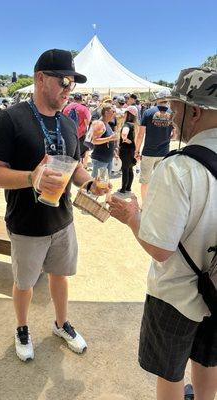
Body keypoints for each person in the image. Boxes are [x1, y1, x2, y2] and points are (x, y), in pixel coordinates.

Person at [0, 48, 110, 362]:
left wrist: (90, 183)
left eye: (73, 84)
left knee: (60, 275)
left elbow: (75, 165)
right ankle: (22, 327)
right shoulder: (11, 118)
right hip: (26, 223)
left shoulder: (68, 123)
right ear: (41, 79)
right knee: (25, 283)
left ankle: (61, 323)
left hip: (63, 220)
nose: (70, 89)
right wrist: (31, 178)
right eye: (64, 81)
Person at [108, 67, 217, 400]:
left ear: (194, 111)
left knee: (169, 373)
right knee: (209, 361)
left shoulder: (178, 168)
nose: (170, 117)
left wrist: (131, 216)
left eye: (176, 108)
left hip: (175, 296)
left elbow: (159, 248)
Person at [135, 89, 174, 202]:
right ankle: (157, 204)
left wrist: (137, 150)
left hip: (149, 152)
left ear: (158, 99)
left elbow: (140, 134)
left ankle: (145, 204)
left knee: (145, 182)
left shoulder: (148, 112)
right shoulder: (172, 113)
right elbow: (175, 133)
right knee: (160, 182)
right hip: (164, 152)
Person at [63, 92, 91, 167]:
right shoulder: (83, 109)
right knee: (84, 152)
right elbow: (87, 122)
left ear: (74, 99)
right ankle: (83, 167)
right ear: (81, 99)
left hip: (69, 135)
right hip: (81, 135)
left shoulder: (66, 108)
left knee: (70, 153)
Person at [90, 104, 118, 178]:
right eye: (113, 112)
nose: (114, 114)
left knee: (104, 184)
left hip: (107, 158)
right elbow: (94, 140)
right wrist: (110, 138)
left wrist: (114, 152)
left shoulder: (106, 124)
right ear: (106, 112)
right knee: (97, 184)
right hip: (100, 159)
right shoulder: (99, 123)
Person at [116, 105, 138, 196]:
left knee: (125, 169)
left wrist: (125, 139)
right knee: (130, 169)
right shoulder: (134, 124)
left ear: (128, 114)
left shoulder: (127, 124)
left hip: (125, 150)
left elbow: (124, 133)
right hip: (132, 149)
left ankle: (123, 189)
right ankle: (128, 187)